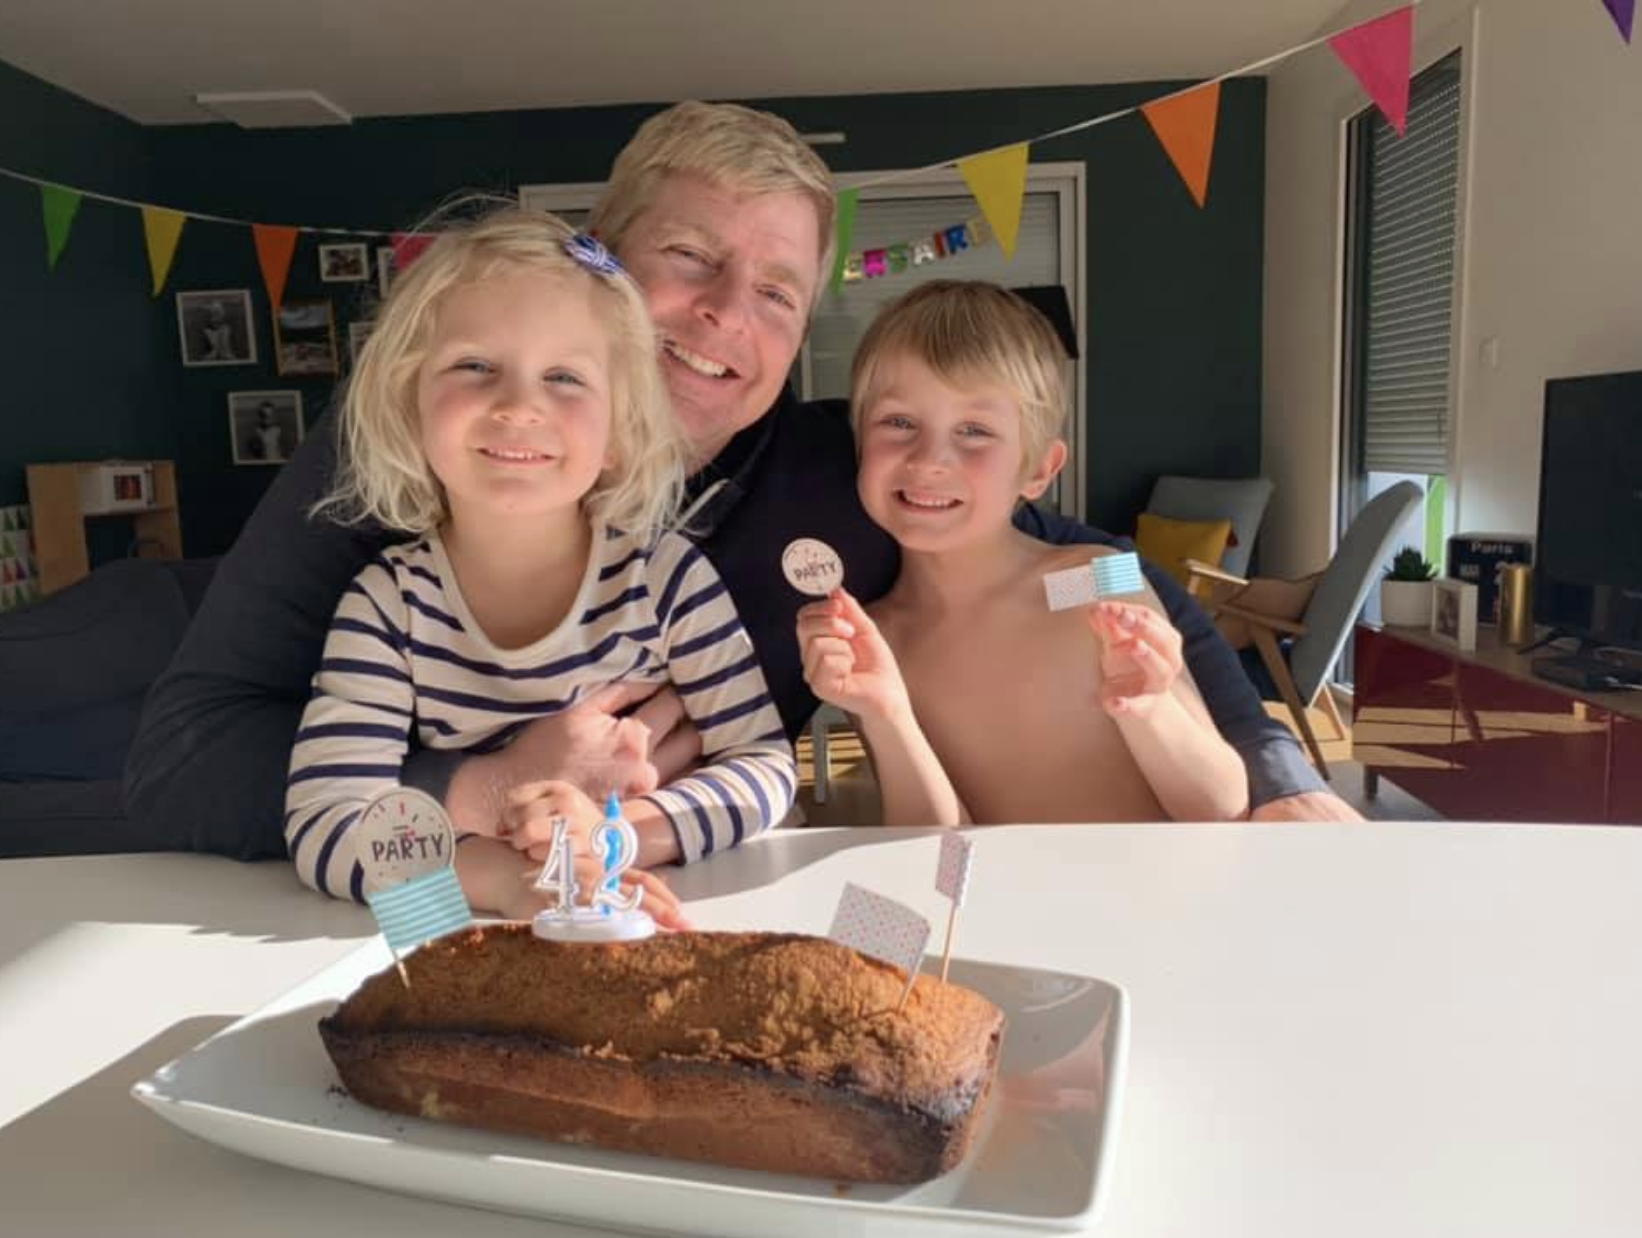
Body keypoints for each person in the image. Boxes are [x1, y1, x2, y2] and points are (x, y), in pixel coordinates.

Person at [125, 100, 1354, 869]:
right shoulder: (418, 444)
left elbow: (1091, 562)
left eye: (775, 290)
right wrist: (488, 786)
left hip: (685, 891)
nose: (726, 313)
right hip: (408, 900)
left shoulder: (847, 473)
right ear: (601, 262)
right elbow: (181, 762)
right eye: (687, 255)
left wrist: (1272, 774)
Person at [287, 208, 793, 920]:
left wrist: (613, 838)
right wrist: (498, 878)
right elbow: (326, 823)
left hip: (650, 918)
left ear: (618, 430)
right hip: (473, 943)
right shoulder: (388, 605)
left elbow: (763, 767)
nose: (519, 405)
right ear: (408, 403)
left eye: (563, 376)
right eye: (475, 366)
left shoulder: (665, 579)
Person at [797, 281, 1248, 824]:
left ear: (1039, 469)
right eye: (899, 422)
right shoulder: (877, 636)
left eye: (974, 430)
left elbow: (1223, 810)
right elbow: (943, 852)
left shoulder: (1094, 578)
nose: (929, 458)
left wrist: (1151, 709)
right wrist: (888, 717)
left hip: (1156, 880)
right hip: (989, 885)